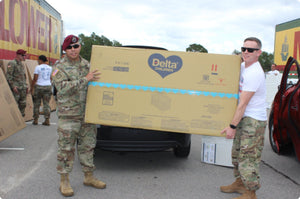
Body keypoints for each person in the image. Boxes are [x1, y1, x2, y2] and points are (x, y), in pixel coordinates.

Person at [51, 35, 104, 197]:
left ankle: (88, 177)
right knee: (66, 148)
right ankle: (64, 180)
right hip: (69, 115)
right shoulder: (59, 66)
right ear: (65, 50)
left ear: (80, 46)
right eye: (69, 48)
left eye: (76, 46)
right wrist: (85, 79)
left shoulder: (87, 64)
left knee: (88, 146)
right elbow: (62, 88)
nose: (73, 50)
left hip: (87, 115)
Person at [220, 37, 267, 199]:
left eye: (251, 50)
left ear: (258, 53)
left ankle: (250, 192)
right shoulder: (242, 66)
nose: (246, 52)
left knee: (248, 157)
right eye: (244, 49)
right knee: (237, 153)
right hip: (244, 117)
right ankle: (240, 183)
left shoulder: (255, 73)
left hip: (253, 120)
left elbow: (243, 103)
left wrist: (232, 127)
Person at [6, 49, 29, 117]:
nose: (24, 57)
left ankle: (21, 117)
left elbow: (23, 76)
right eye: (23, 55)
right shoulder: (12, 63)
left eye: (24, 56)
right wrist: (13, 86)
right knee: (15, 103)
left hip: (23, 87)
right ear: (18, 55)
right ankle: (15, 118)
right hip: (16, 87)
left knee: (23, 103)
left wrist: (26, 85)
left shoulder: (21, 64)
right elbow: (9, 76)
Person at [31, 55, 52, 126]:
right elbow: (52, 77)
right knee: (46, 104)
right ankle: (47, 120)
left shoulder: (38, 67)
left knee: (37, 103)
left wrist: (32, 88)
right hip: (47, 86)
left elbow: (35, 79)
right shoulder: (50, 68)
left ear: (40, 60)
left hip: (39, 87)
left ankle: (36, 119)